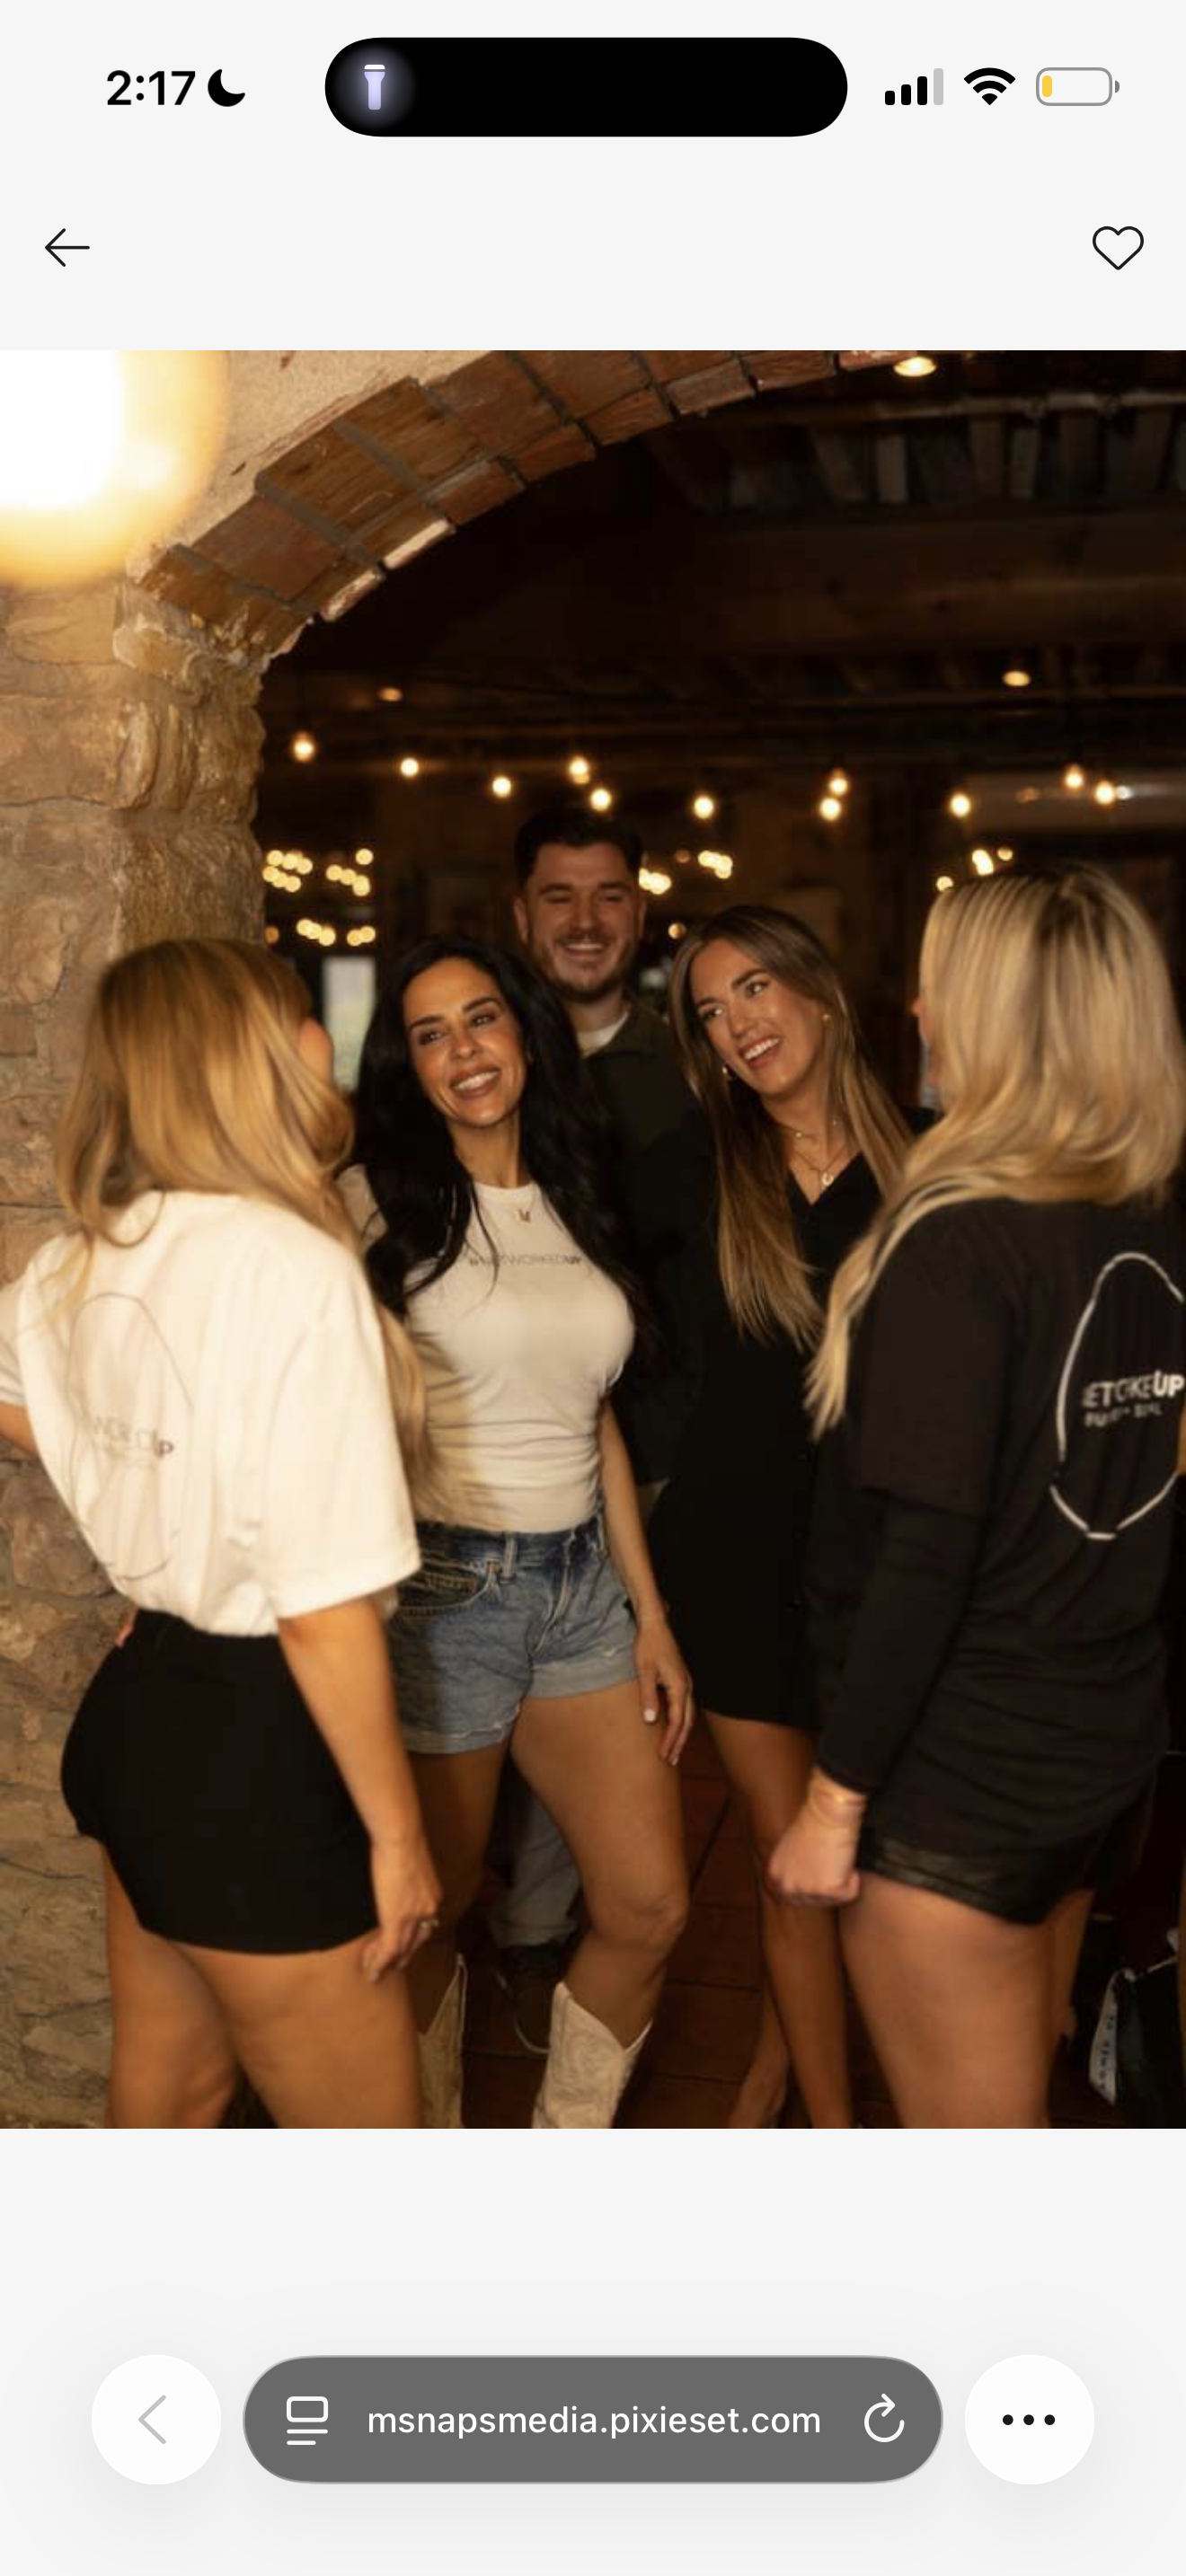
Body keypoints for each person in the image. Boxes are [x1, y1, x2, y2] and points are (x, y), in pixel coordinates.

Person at [769, 864, 1186, 2130]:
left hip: (955, 1782)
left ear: (1005, 1019)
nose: (919, 1011)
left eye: (943, 986)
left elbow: (925, 1553)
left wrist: (835, 1802)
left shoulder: (961, 1241)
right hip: (1094, 1760)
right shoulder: (1149, 1217)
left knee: (978, 2184)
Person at [0, 940, 440, 2130]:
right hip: (257, 1748)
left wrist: (143, 1491)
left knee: (171, 2105)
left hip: (143, 1720)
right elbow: (318, 1609)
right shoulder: (291, 1266)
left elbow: (33, 1397)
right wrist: (400, 1840)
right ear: (248, 1052)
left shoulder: (77, 1261)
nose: (320, 1036)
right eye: (302, 1012)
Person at [349, 935, 693, 2127]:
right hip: (445, 1594)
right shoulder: (378, 1207)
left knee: (649, 1906)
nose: (463, 1051)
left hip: (582, 1591)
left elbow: (591, 1415)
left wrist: (650, 1614)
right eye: (431, 1035)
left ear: (524, 1034)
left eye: (481, 1019)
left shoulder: (579, 1188)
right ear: (410, 1067)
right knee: (432, 1911)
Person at [632, 905, 910, 2126]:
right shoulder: (690, 1169)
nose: (737, 1024)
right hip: (733, 1564)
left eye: (753, 990)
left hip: (892, 1568)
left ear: (818, 992)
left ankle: (773, 2063)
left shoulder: (934, 1169)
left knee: (871, 1864)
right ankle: (832, 2134)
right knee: (789, 1864)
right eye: (710, 1010)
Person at [489, 802, 693, 2048]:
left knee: (604, 1705)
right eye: (558, 896)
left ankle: (543, 1939)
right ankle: (502, 1929)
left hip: (648, 1445)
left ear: (640, 909)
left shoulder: (695, 1067)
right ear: (522, 913)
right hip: (485, 1456)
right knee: (479, 1711)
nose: (583, 919)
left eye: (607, 894)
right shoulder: (478, 1053)